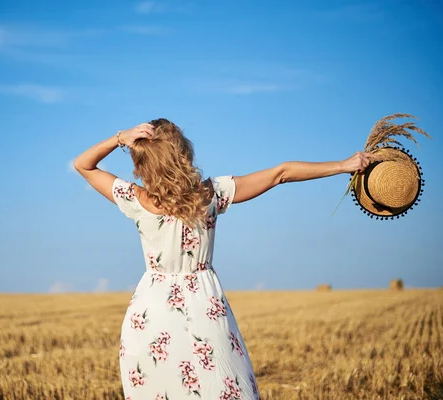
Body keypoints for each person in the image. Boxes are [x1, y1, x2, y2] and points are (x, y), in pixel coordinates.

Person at [73, 118, 376, 399]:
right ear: (183, 153)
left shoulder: (136, 199)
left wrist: (120, 138)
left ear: (142, 161)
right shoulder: (211, 194)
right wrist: (343, 165)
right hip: (205, 308)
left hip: (149, 318)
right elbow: (281, 173)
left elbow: (83, 165)